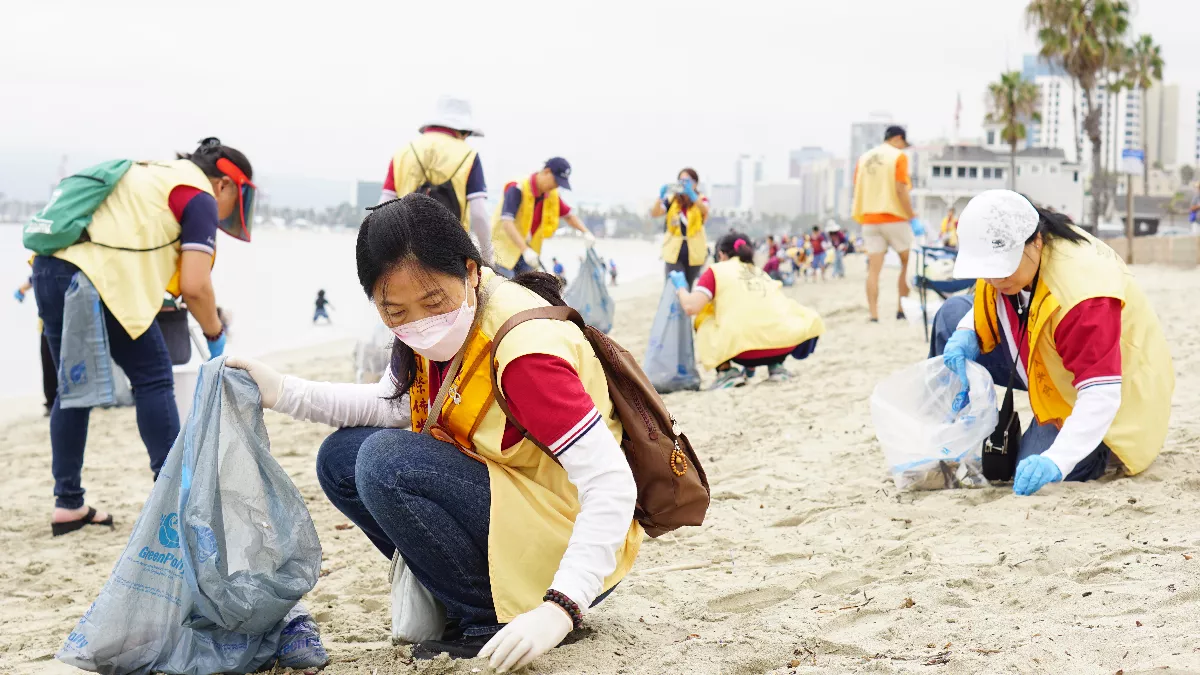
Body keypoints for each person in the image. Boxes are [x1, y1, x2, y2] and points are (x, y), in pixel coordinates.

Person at [227, 194, 641, 670]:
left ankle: (490, 616)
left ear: (470, 271)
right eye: (396, 311)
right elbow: (391, 405)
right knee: (341, 458)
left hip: (569, 541)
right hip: (515, 503)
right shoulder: (446, 330)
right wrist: (282, 391)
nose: (419, 322)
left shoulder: (525, 355)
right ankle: (464, 596)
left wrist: (560, 609)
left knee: (386, 462)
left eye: (432, 301)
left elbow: (611, 483)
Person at [32, 137, 252, 535]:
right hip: (98, 280)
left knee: (71, 388)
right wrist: (215, 333)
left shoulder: (153, 174)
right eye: (236, 199)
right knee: (153, 377)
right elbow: (196, 286)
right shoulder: (198, 195)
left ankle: (68, 503)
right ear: (224, 184)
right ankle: (175, 500)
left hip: (49, 270)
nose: (230, 213)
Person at [931, 190, 1174, 496]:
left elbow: (1101, 394)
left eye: (1002, 267)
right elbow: (987, 297)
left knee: (1034, 470)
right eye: (986, 269)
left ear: (1036, 241)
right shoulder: (1009, 268)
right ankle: (949, 439)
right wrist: (967, 332)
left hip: (1111, 399)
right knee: (953, 313)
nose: (993, 279)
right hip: (1046, 362)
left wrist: (1056, 460)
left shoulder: (1084, 295)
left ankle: (1097, 454)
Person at [673, 232, 824, 389]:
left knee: (704, 318)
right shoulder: (760, 272)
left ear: (721, 254)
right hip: (782, 345)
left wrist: (680, 288)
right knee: (773, 310)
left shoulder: (716, 271)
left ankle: (725, 371)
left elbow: (691, 307)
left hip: (746, 353)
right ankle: (776, 367)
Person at [381, 96, 492, 260]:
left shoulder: (402, 153)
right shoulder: (469, 155)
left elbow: (383, 206)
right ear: (464, 130)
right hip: (450, 255)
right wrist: (487, 257)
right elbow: (479, 214)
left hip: (405, 253)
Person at [491, 158, 595, 278]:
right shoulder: (517, 187)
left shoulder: (551, 195)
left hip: (529, 255)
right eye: (555, 181)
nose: (556, 186)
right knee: (505, 289)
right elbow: (507, 222)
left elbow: (569, 216)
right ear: (546, 171)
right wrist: (525, 250)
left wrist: (586, 232)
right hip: (505, 252)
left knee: (530, 291)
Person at [852, 125, 915, 322]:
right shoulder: (897, 156)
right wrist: (911, 215)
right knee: (908, 261)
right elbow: (900, 189)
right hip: (894, 217)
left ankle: (873, 314)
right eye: (903, 144)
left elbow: (857, 186)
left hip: (869, 218)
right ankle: (901, 309)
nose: (903, 148)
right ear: (898, 138)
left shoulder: (863, 158)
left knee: (873, 269)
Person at [651, 168, 710, 289]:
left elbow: (705, 211)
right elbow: (655, 213)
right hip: (673, 250)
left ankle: (685, 307)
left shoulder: (702, 199)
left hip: (694, 251)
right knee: (673, 287)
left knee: (687, 287)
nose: (683, 184)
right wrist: (660, 197)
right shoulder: (672, 200)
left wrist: (692, 195)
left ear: (695, 183)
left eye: (687, 181)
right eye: (681, 181)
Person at [15, 276, 58, 415]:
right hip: (47, 321)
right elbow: (34, 277)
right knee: (49, 362)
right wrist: (21, 289)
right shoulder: (41, 265)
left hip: (68, 317)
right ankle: (51, 403)